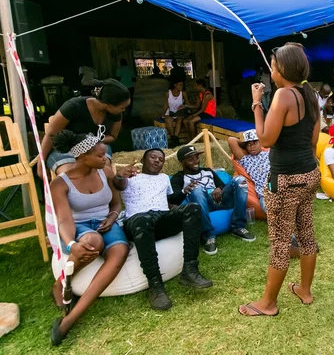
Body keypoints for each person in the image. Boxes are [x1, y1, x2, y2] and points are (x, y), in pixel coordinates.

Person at [239, 42, 320, 316]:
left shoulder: (284, 95)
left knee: (281, 242)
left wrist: (256, 104)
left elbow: (265, 140)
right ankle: (304, 291)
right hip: (309, 174)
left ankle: (268, 303)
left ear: (282, 69)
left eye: (272, 66)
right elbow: (313, 139)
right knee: (306, 233)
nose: (270, 70)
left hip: (285, 181)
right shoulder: (311, 95)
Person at [49, 130, 129, 345]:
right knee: (93, 242)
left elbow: (115, 203)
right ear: (83, 157)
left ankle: (71, 319)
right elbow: (64, 220)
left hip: (106, 221)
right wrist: (71, 243)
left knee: (121, 250)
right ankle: (60, 284)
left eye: (105, 155)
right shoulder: (60, 183)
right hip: (80, 226)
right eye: (100, 155)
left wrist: (112, 217)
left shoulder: (105, 171)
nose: (105, 159)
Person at [115, 149, 213, 311]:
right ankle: (155, 285)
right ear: (143, 160)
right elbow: (118, 184)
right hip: (138, 221)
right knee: (142, 219)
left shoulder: (164, 179)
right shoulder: (131, 177)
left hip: (161, 217)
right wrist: (120, 175)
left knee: (193, 208)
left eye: (161, 159)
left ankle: (190, 270)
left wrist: (181, 210)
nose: (157, 161)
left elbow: (169, 201)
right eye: (153, 157)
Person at [169, 145, 254, 255]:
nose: (196, 161)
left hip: (221, 200)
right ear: (182, 162)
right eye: (191, 159)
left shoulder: (207, 171)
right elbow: (173, 199)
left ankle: (238, 227)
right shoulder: (178, 177)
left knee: (240, 180)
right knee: (197, 188)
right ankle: (208, 236)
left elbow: (223, 186)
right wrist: (184, 191)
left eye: (197, 157)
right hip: (204, 205)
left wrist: (219, 188)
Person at [40, 78, 130, 179]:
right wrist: (40, 165)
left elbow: (113, 136)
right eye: (122, 107)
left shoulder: (116, 113)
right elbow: (51, 134)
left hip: (97, 148)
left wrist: (94, 141)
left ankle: (103, 194)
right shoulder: (74, 106)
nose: (124, 110)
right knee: (71, 175)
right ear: (109, 105)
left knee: (103, 175)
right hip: (67, 149)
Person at [228, 129, 269, 213]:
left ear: (260, 142)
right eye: (249, 144)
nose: (252, 146)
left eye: (255, 143)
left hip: (278, 189)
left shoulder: (269, 154)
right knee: (270, 210)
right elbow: (231, 140)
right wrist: (244, 144)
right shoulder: (246, 160)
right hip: (264, 195)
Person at [162, 79, 190, 145]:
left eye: (182, 85)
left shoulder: (183, 93)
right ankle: (173, 137)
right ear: (175, 85)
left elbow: (187, 104)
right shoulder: (168, 93)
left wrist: (184, 106)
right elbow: (166, 105)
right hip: (170, 111)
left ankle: (175, 137)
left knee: (179, 120)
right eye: (180, 85)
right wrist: (163, 114)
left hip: (179, 112)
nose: (181, 87)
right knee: (168, 120)